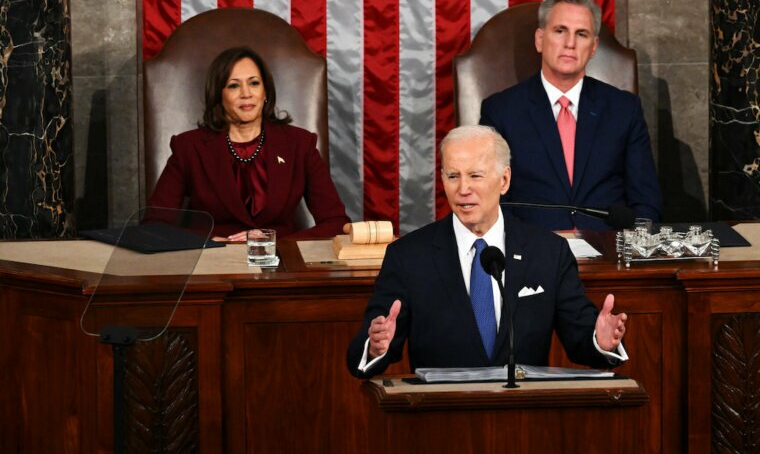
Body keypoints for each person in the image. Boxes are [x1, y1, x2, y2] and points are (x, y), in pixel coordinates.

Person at [347, 125, 627, 378]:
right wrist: (375, 345)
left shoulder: (548, 252)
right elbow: (368, 346)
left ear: (504, 180)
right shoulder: (408, 256)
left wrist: (600, 341)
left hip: (524, 416)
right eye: (453, 176)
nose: (463, 189)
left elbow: (579, 338)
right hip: (440, 418)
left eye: (475, 176)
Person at [480, 0, 662, 231]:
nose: (570, 43)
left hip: (608, 254)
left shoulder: (624, 109)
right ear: (539, 40)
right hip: (533, 253)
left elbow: (646, 204)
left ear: (594, 46)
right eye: (560, 31)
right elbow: (493, 199)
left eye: (581, 34)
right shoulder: (501, 111)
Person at [148, 46, 350, 240]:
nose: (246, 93)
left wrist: (276, 244)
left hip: (281, 263)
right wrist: (214, 241)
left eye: (254, 83)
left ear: (265, 92)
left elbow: (335, 223)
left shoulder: (300, 144)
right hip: (214, 264)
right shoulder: (188, 148)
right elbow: (154, 225)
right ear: (219, 95)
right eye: (234, 85)